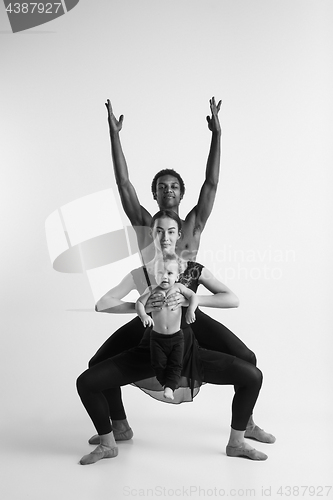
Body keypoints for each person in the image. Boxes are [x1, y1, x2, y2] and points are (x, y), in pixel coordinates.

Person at [77, 211, 272, 464]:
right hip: (153, 337)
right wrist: (144, 308)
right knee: (95, 368)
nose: (165, 237)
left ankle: (242, 433)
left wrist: (194, 299)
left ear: (179, 235)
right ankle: (117, 430)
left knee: (249, 365)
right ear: (151, 234)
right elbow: (103, 303)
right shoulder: (142, 273)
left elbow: (232, 298)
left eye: (171, 231)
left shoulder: (190, 270)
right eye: (159, 231)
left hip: (186, 338)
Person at [136, 254, 198, 400]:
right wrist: (144, 315)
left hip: (177, 337)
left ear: (177, 276)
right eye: (160, 273)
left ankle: (170, 387)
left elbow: (194, 296)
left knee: (176, 364)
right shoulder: (151, 289)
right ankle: (166, 384)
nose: (165, 277)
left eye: (169, 273)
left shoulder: (179, 287)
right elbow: (139, 303)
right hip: (157, 338)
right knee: (158, 363)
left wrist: (190, 310)